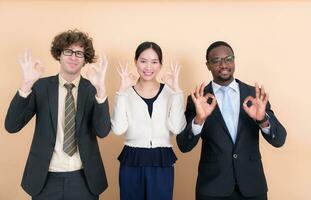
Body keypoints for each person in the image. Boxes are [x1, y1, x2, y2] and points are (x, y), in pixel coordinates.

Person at [5, 29, 111, 200]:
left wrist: (101, 91)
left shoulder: (92, 89)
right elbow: (11, 126)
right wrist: (25, 85)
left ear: (85, 60)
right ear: (59, 54)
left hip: (84, 180)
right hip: (45, 179)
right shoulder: (40, 87)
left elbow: (103, 131)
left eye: (79, 53)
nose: (73, 57)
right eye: (68, 51)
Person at [176, 41, 287, 200]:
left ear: (234, 61)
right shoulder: (198, 99)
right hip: (212, 188)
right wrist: (199, 119)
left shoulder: (254, 95)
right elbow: (183, 145)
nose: (223, 64)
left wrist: (262, 119)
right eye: (216, 61)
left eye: (228, 59)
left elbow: (280, 140)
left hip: (252, 187)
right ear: (208, 65)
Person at [111, 41, 186, 200]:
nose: (148, 67)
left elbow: (178, 128)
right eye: (143, 61)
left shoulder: (170, 92)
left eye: (154, 62)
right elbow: (118, 129)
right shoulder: (126, 92)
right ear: (135, 62)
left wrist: (177, 91)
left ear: (160, 65)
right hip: (132, 160)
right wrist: (122, 92)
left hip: (161, 160)